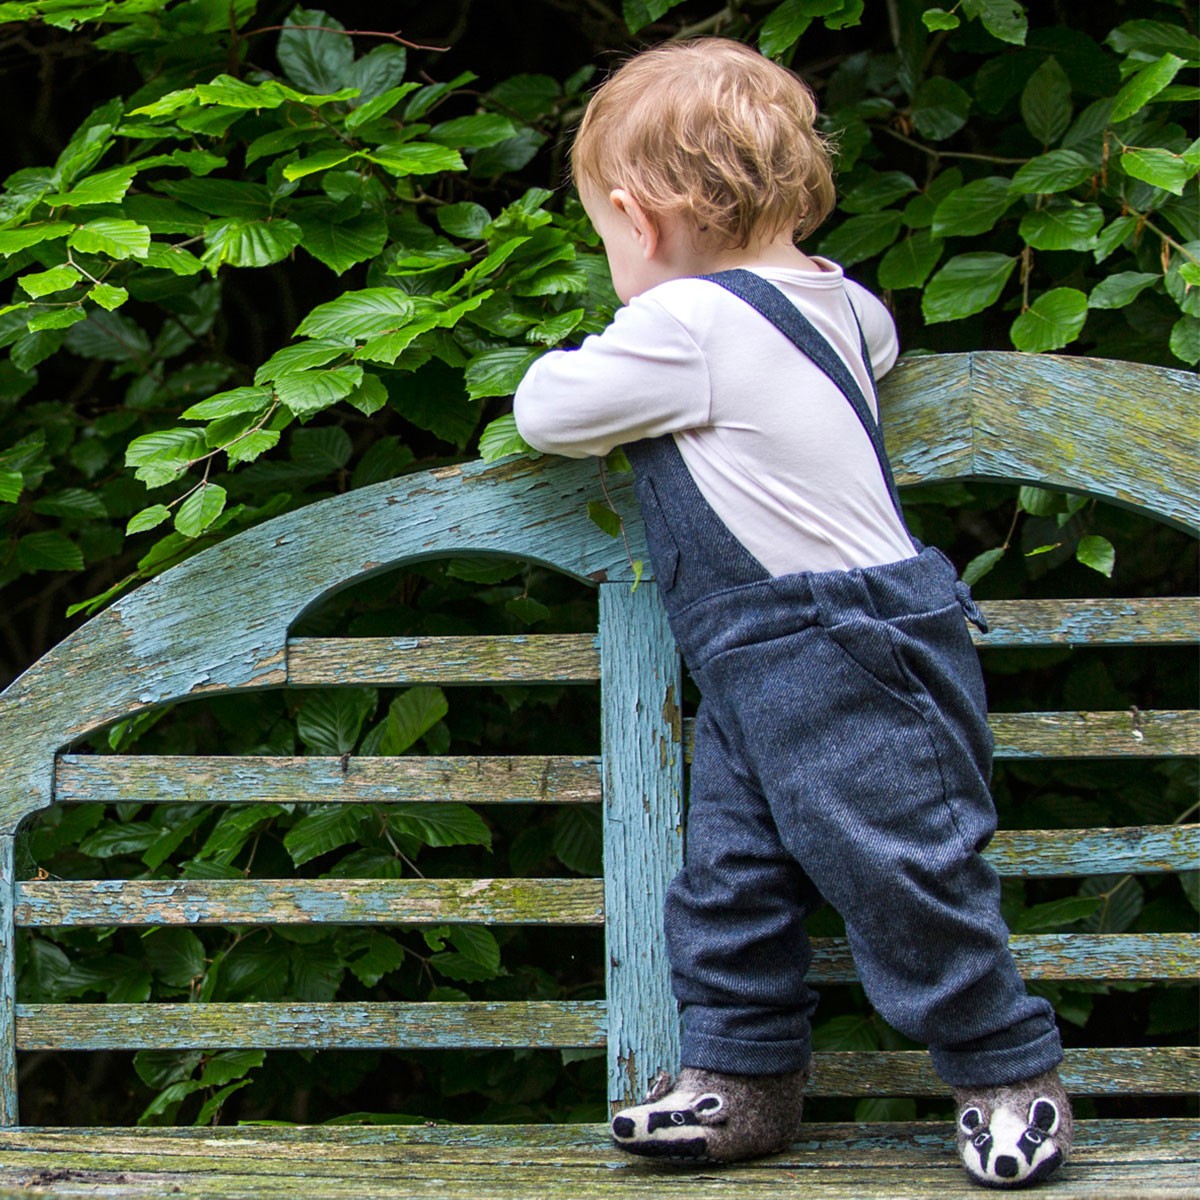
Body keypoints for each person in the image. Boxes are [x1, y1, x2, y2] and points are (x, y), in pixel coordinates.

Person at [512, 37, 1073, 1190]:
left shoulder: (687, 327)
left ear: (642, 218)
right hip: (784, 652)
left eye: (606, 231)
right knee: (734, 872)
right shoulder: (845, 304)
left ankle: (1007, 1072)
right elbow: (875, 351)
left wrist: (614, 331)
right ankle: (742, 1080)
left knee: (903, 867)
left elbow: (547, 412)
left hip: (832, 643)